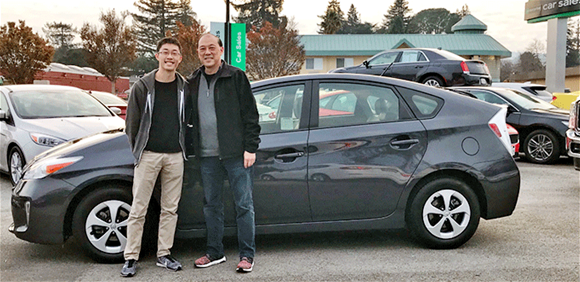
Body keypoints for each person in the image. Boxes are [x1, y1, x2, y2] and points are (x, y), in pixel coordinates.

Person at [188, 33, 261, 272]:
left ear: (221, 50)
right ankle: (215, 252)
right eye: (202, 49)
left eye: (211, 48)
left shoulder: (236, 76)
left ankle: (247, 255)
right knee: (211, 205)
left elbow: (251, 115)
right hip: (207, 156)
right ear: (198, 53)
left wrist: (250, 147)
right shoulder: (194, 80)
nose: (207, 52)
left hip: (236, 155)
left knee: (243, 205)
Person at [121, 37, 189, 277]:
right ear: (158, 56)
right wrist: (138, 151)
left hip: (175, 156)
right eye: (165, 52)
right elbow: (131, 125)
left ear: (180, 58)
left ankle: (164, 254)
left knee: (170, 209)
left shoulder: (184, 87)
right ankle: (130, 257)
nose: (170, 57)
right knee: (138, 208)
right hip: (148, 156)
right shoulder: (142, 87)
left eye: (174, 53)